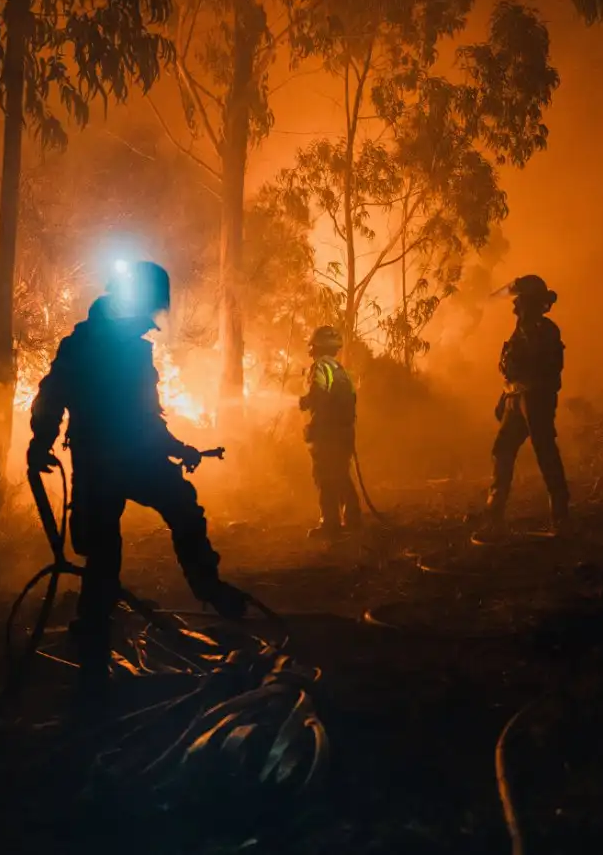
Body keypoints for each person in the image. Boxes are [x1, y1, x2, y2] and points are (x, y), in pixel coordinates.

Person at [27, 260, 247, 695]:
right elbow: (52, 395)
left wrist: (176, 447)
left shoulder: (133, 347)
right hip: (100, 459)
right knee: (104, 548)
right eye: (149, 309)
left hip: (133, 454)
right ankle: (94, 630)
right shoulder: (84, 344)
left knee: (182, 507)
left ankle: (209, 587)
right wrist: (41, 442)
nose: (151, 322)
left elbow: (145, 416)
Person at [476, 274, 571, 541]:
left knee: (545, 453)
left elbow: (544, 370)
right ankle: (493, 516)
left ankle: (560, 517)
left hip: (536, 400)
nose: (514, 307)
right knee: (502, 450)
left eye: (519, 302)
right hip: (516, 400)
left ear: (530, 303)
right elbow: (512, 371)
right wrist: (504, 398)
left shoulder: (545, 331)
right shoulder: (521, 331)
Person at [298, 325, 362, 537]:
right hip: (344, 432)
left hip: (329, 434)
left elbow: (320, 398)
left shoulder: (319, 368)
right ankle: (353, 519)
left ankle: (330, 523)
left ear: (316, 346)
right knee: (341, 474)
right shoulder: (339, 369)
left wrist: (311, 421)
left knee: (325, 476)